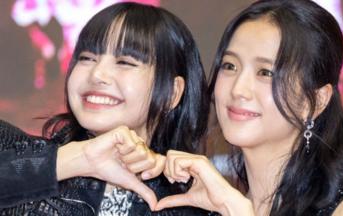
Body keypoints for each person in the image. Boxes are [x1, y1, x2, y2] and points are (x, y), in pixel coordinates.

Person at [155, 0, 343, 215]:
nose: (238, 89)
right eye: (229, 65)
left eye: (266, 72)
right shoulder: (212, 206)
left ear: (316, 101)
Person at [0, 2, 211, 215]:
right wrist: (74, 160)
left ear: (171, 93)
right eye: (87, 58)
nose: (97, 74)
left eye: (125, 62)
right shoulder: (11, 151)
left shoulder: (191, 205)